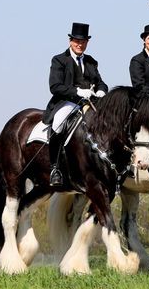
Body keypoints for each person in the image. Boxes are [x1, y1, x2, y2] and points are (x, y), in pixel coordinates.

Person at [43, 22, 108, 187]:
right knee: (58, 125)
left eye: (83, 41)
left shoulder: (91, 61)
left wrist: (101, 91)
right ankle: (55, 168)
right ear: (70, 41)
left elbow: (100, 82)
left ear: (87, 43)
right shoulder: (59, 60)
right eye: (77, 41)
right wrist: (77, 92)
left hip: (89, 102)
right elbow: (55, 87)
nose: (80, 44)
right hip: (66, 102)